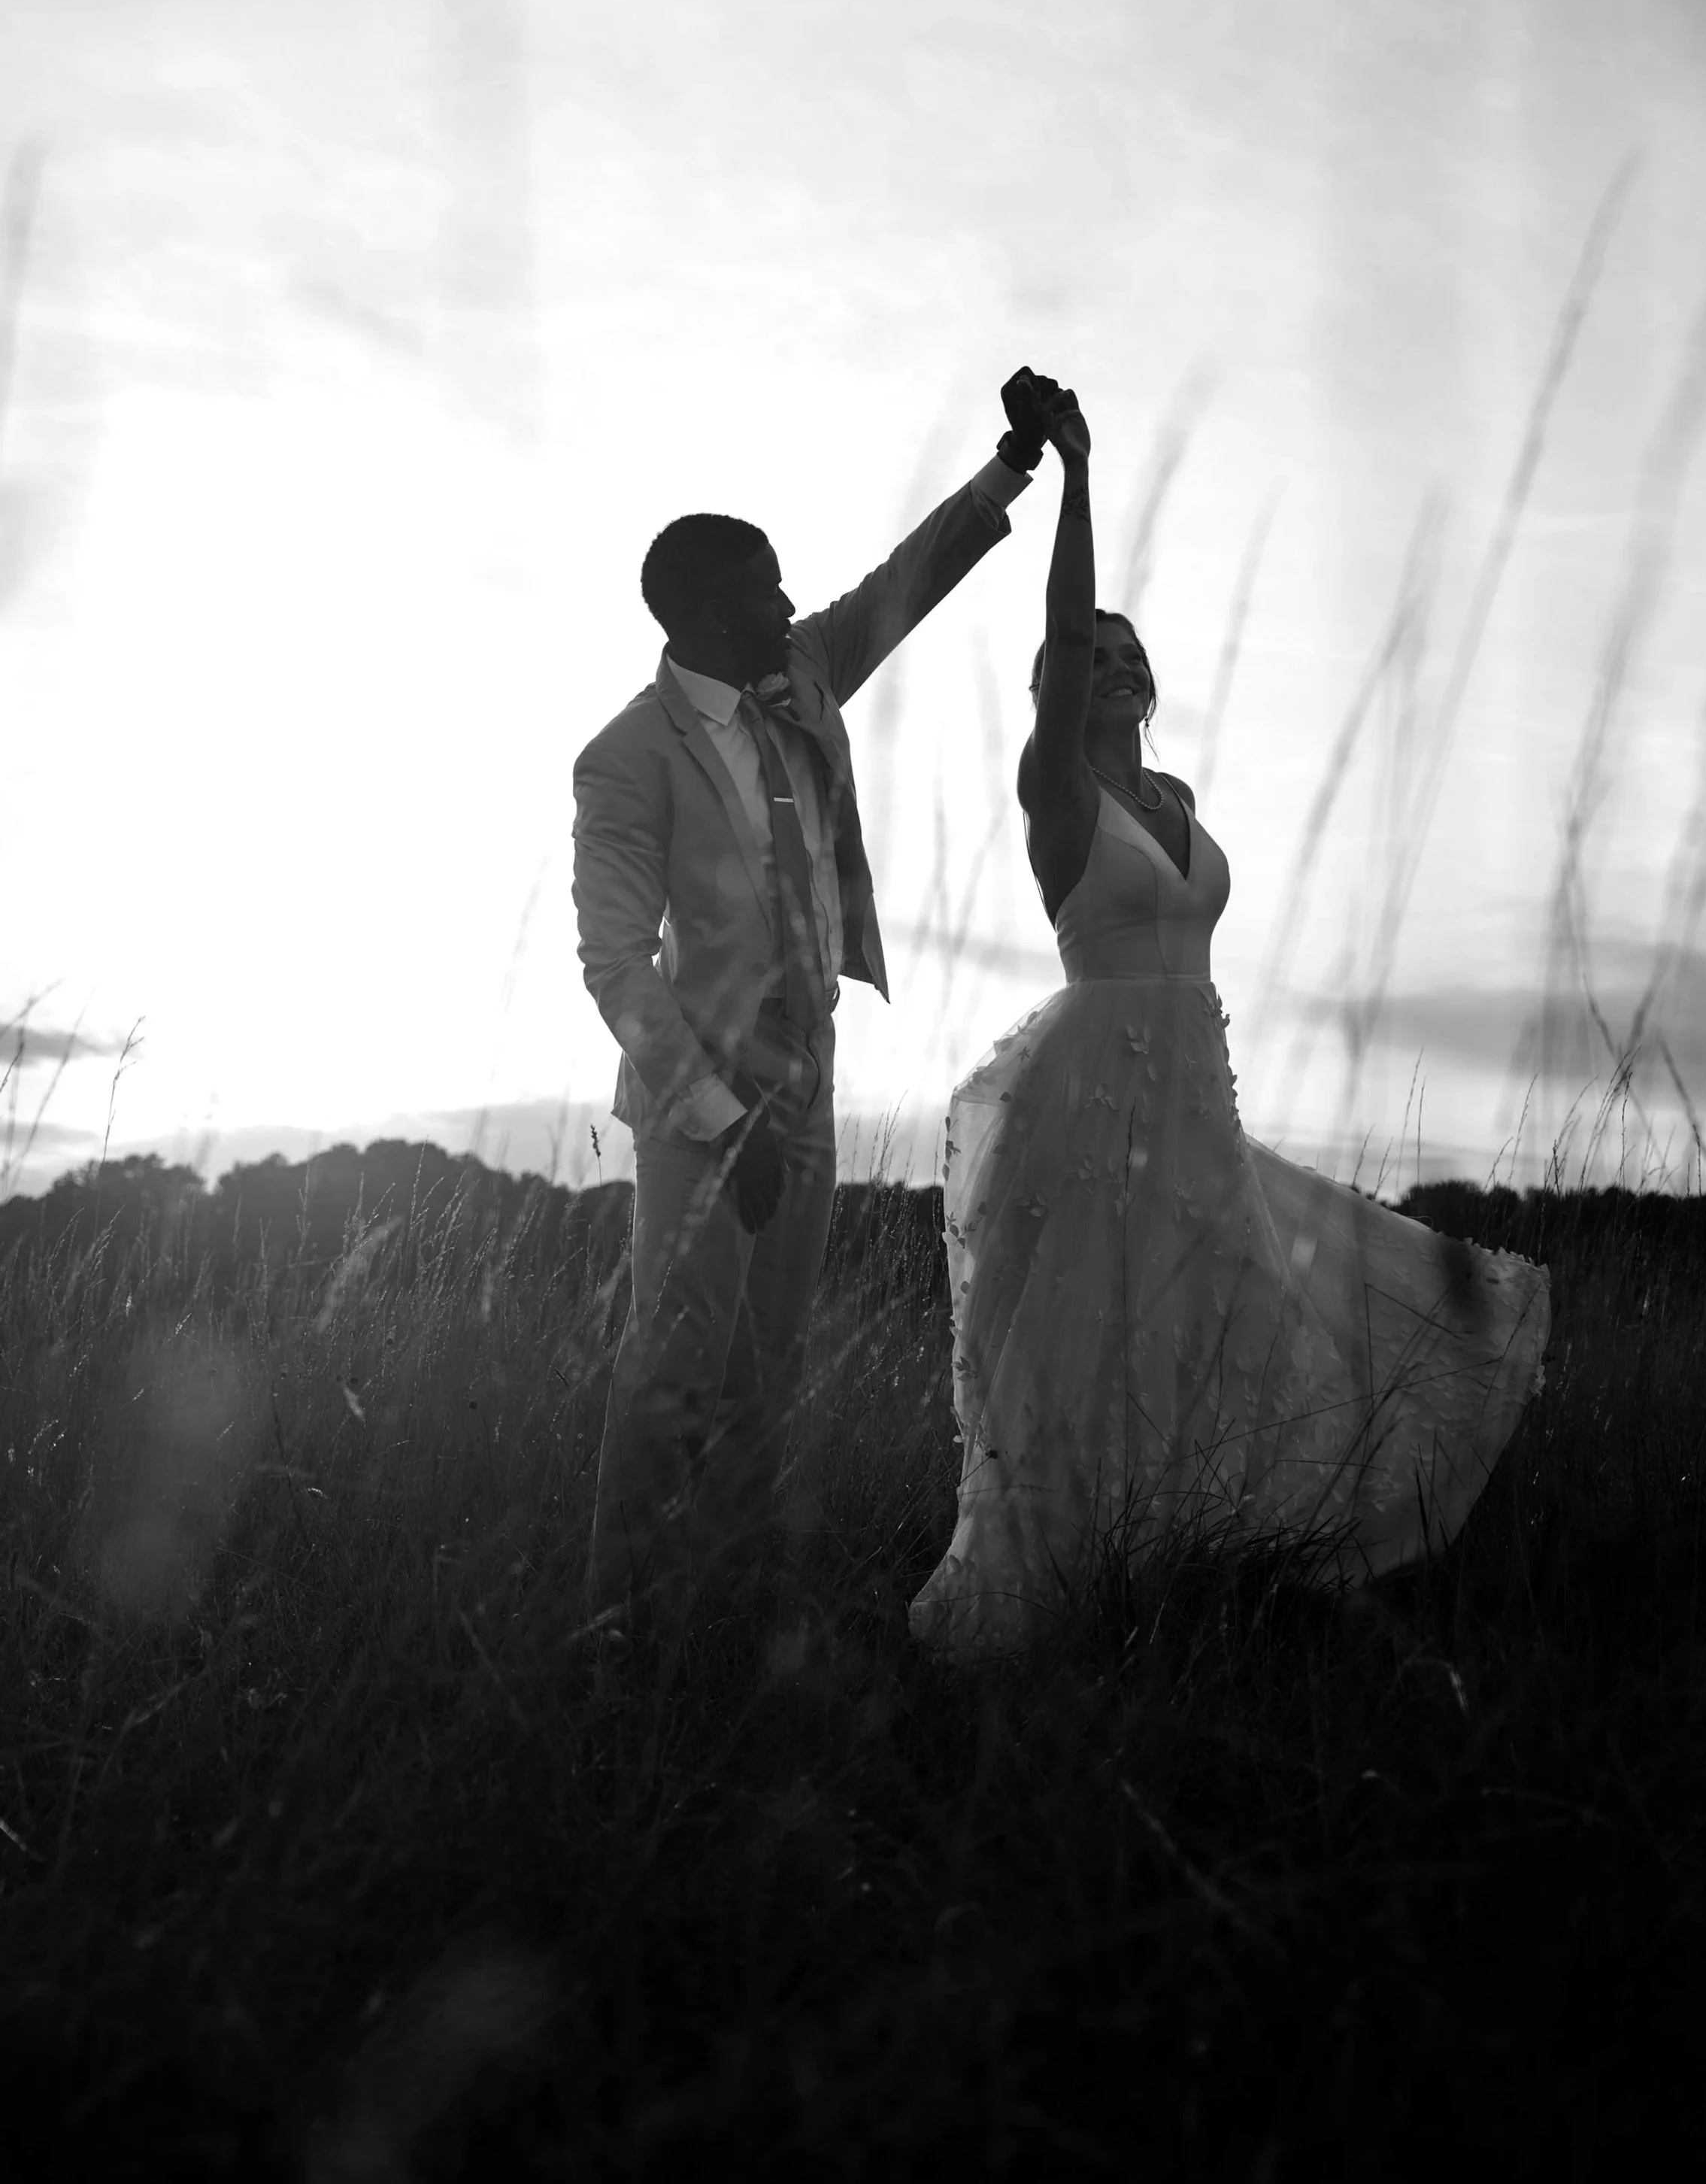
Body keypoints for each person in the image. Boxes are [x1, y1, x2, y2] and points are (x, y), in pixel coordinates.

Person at [909, 388, 1552, 1656]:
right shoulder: (1056, 792)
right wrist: (1081, 480)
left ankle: (1219, 1560)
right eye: (1091, 655)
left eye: (1131, 650)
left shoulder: (1179, 792)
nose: (1118, 662)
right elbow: (1059, 618)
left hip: (1197, 1098)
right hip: (1093, 1093)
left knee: (1228, 1327)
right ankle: (1080, 1591)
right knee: (1098, 1343)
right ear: (1053, 686)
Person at [574, 367, 1065, 1639]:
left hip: (810, 1078)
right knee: (671, 1371)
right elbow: (618, 962)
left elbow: (905, 583)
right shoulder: (627, 758)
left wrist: (1012, 463)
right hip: (702, 1101)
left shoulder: (803, 673)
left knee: (769, 1370)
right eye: (766, 583)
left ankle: (731, 1611)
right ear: (697, 608)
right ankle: (616, 1627)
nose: (792, 600)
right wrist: (711, 1108)